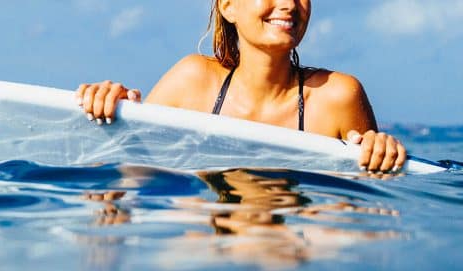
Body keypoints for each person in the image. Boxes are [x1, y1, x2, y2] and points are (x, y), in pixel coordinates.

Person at [75, 0, 406, 173]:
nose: (289, 4)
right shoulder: (192, 82)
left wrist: (381, 152)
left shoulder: (336, 97)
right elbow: (129, 175)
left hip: (295, 263)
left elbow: (366, 210)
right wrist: (109, 112)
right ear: (228, 5)